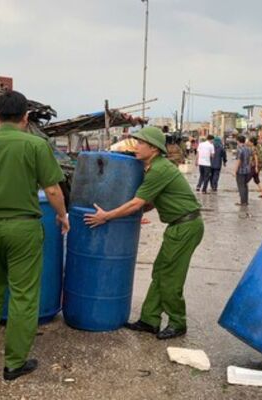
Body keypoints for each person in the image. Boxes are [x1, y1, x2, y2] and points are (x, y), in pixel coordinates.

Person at [0, 91, 70, 380]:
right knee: (23, 293)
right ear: (26, 117)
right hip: (23, 227)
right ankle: (14, 363)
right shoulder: (35, 145)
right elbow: (54, 189)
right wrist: (62, 215)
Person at [84, 127, 204, 340]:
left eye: (140, 143)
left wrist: (107, 216)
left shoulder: (159, 170)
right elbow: (148, 203)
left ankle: (178, 322)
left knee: (170, 276)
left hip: (185, 227)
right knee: (160, 271)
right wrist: (133, 215)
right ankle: (150, 320)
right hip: (179, 226)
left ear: (154, 149)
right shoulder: (154, 168)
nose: (136, 146)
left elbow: (137, 203)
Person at [234, 135, 252, 206]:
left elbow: (239, 160)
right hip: (247, 170)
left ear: (238, 141)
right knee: (245, 185)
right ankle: (246, 201)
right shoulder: (248, 149)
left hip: (241, 170)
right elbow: (250, 159)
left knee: (241, 186)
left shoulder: (239, 149)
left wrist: (235, 170)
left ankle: (242, 202)